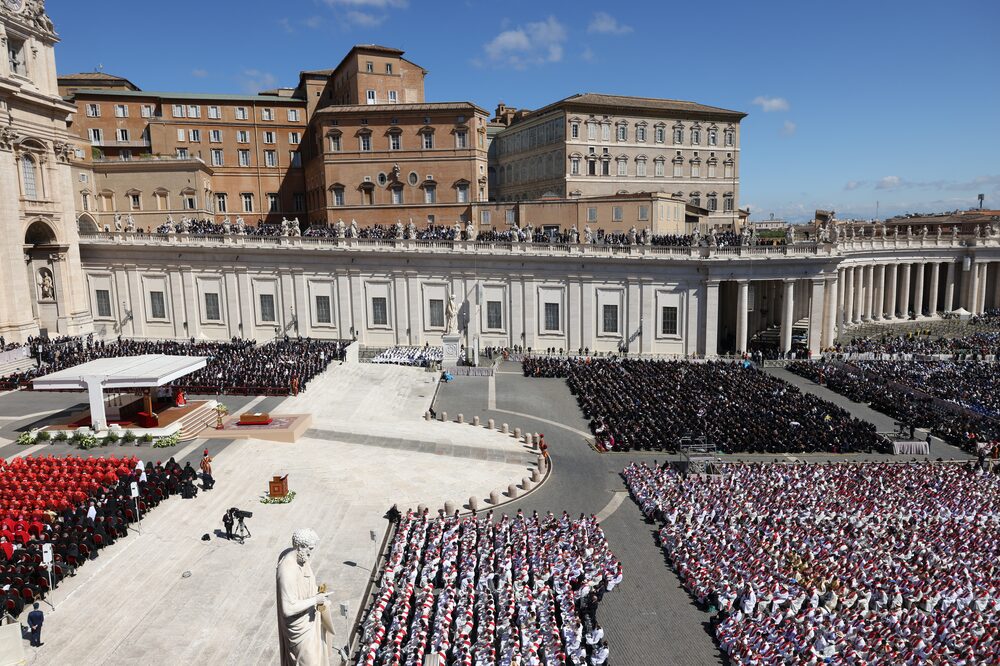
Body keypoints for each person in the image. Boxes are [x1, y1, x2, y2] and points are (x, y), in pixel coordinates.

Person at [277, 528, 335, 666]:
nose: (310, 552)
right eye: (309, 548)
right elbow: (288, 608)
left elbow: (307, 583)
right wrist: (315, 600)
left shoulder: (302, 558)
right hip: (298, 628)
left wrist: (318, 594)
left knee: (316, 657)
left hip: (309, 618)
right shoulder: (287, 570)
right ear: (300, 546)